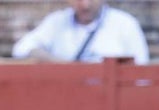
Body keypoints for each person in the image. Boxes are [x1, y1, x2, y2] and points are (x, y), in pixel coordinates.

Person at [11, 0, 149, 65]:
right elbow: (21, 48)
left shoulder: (125, 24)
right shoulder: (57, 22)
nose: (85, 5)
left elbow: (142, 70)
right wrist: (61, 65)